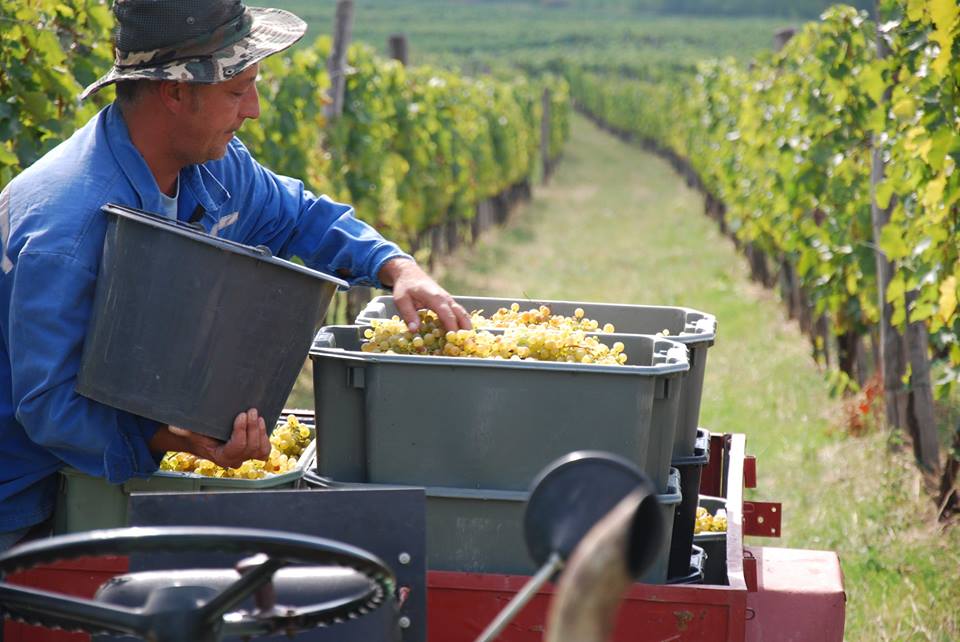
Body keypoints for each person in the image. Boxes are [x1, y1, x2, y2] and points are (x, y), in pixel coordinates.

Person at [0, 0, 470, 551]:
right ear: (175, 91)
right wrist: (172, 441)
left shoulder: (209, 165)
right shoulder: (68, 229)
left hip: (91, 485)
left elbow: (297, 215)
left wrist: (398, 268)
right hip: (20, 500)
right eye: (236, 91)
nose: (254, 109)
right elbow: (50, 406)